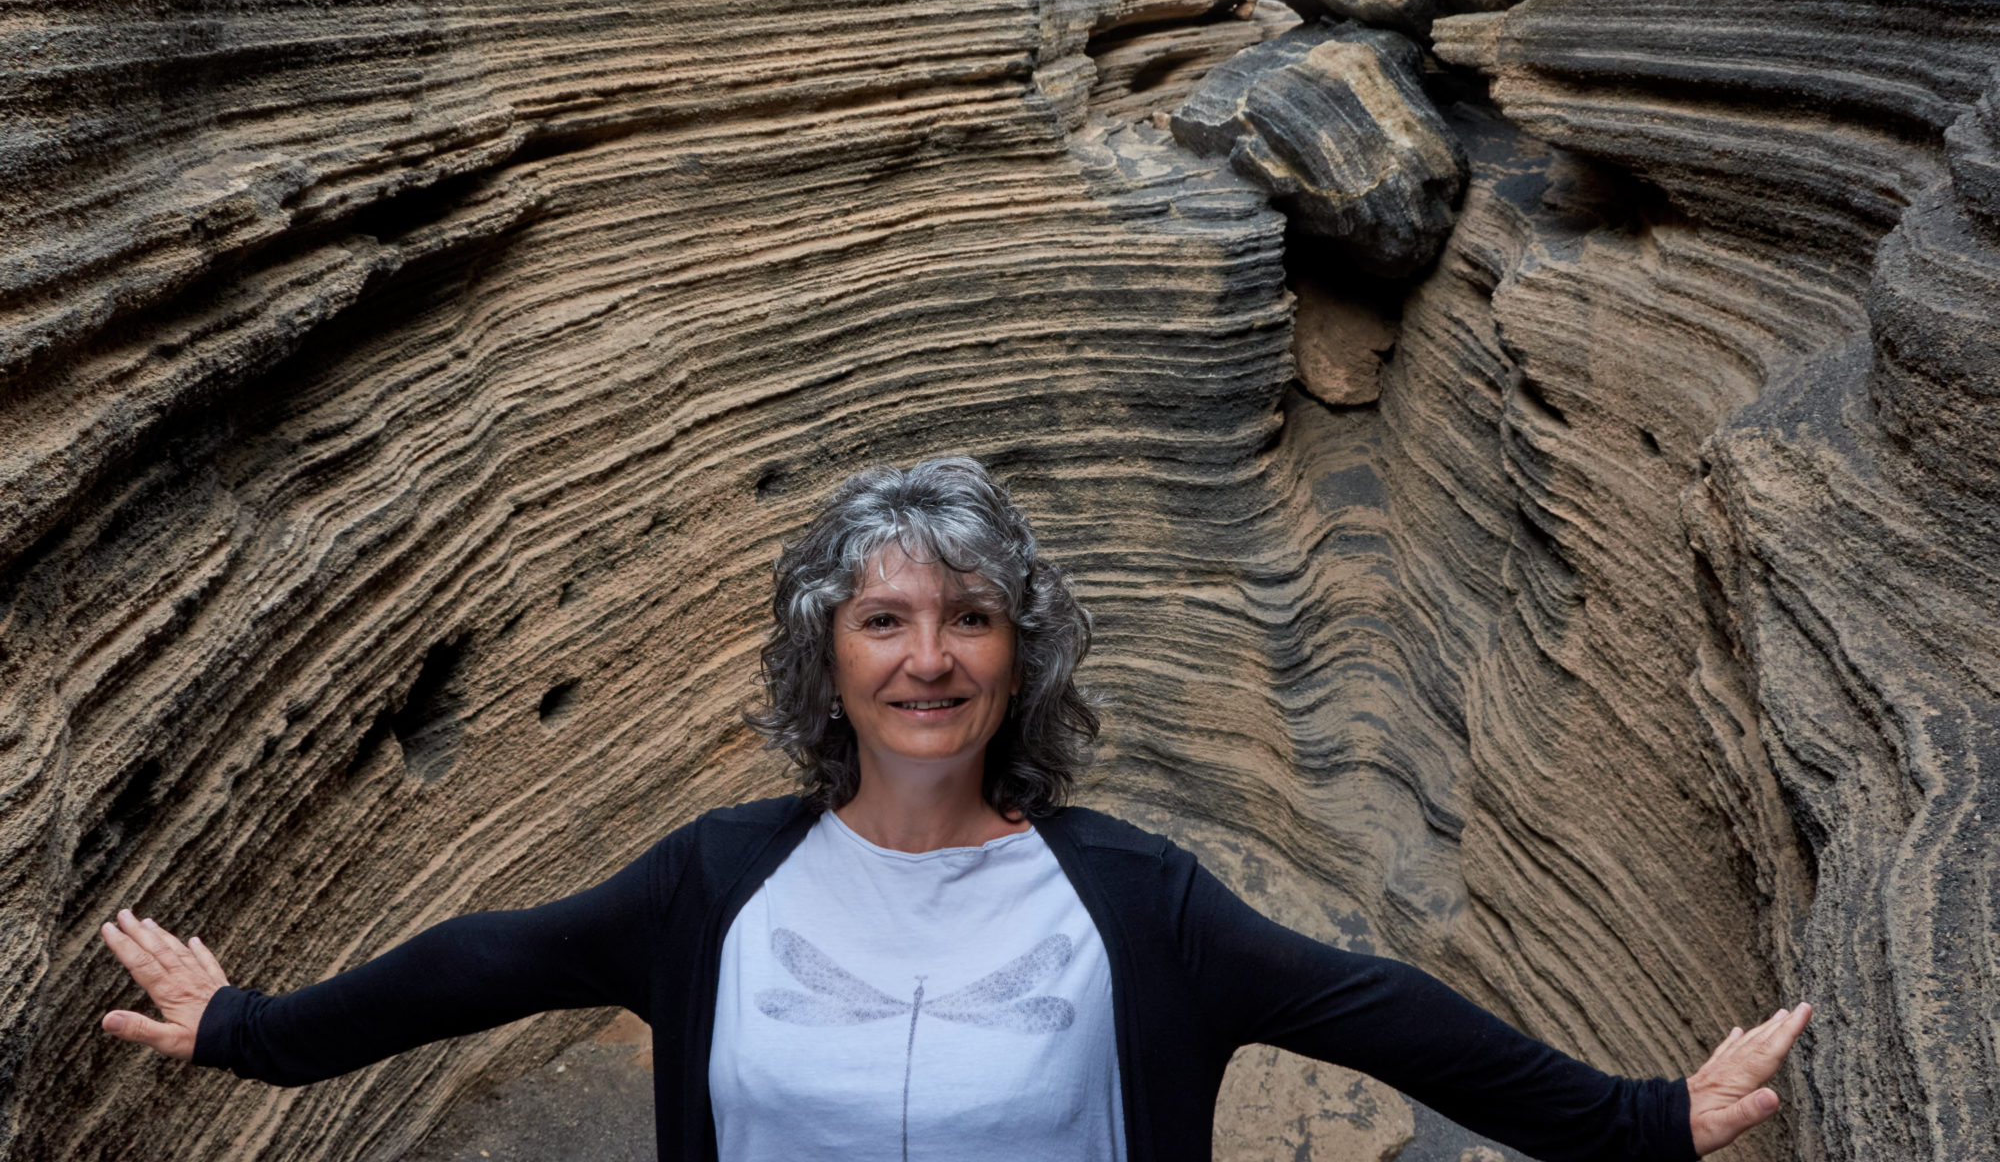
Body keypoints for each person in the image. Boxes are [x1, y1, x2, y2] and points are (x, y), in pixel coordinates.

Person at [101, 456, 1812, 1161]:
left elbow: (1380, 1016)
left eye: (970, 618)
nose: (929, 660)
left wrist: (1648, 1120)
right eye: (886, 620)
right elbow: (484, 964)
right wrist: (249, 1029)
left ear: (1023, 653)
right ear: (826, 655)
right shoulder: (717, 880)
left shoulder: (1136, 901)